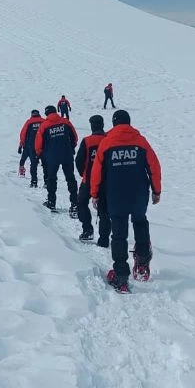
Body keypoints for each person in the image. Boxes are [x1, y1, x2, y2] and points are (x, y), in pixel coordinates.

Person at [90, 110, 161, 293]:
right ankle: (143, 264)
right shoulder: (140, 141)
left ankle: (121, 277)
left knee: (119, 234)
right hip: (139, 194)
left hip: (116, 195)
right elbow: (154, 165)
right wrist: (156, 190)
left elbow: (96, 172)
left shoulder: (107, 143)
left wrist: (95, 194)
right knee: (140, 222)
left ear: (114, 124)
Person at [35, 105, 78, 214]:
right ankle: (75, 204)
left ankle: (51, 202)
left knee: (51, 179)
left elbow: (38, 143)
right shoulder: (65, 122)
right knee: (70, 179)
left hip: (51, 157)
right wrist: (72, 147)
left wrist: (40, 154)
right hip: (66, 154)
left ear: (46, 114)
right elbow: (74, 136)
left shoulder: (44, 125)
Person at [75, 115, 110, 243]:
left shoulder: (87, 141)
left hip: (88, 179)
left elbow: (78, 160)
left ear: (91, 126)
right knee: (104, 210)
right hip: (106, 181)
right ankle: (104, 238)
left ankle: (87, 230)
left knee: (81, 203)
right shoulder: (109, 139)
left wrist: (83, 173)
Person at [18, 109, 44, 187]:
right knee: (45, 164)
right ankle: (47, 182)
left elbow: (23, 134)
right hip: (43, 146)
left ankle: (33, 181)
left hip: (30, 146)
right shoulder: (44, 121)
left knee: (28, 162)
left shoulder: (29, 122)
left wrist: (20, 145)